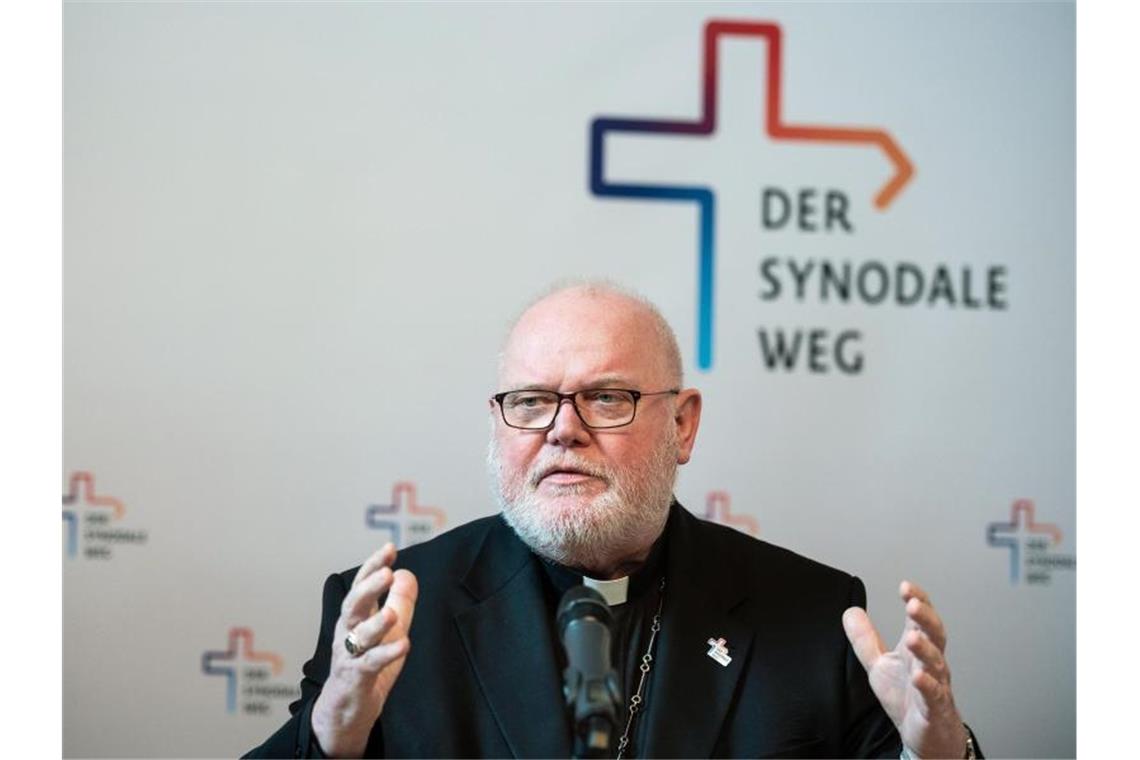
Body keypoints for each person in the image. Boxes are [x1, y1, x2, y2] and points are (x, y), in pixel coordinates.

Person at [246, 282, 980, 759]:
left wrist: (938, 755)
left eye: (605, 399)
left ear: (683, 426)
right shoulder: (398, 612)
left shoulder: (814, 615)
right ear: (498, 424)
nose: (562, 430)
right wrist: (331, 735)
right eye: (531, 401)